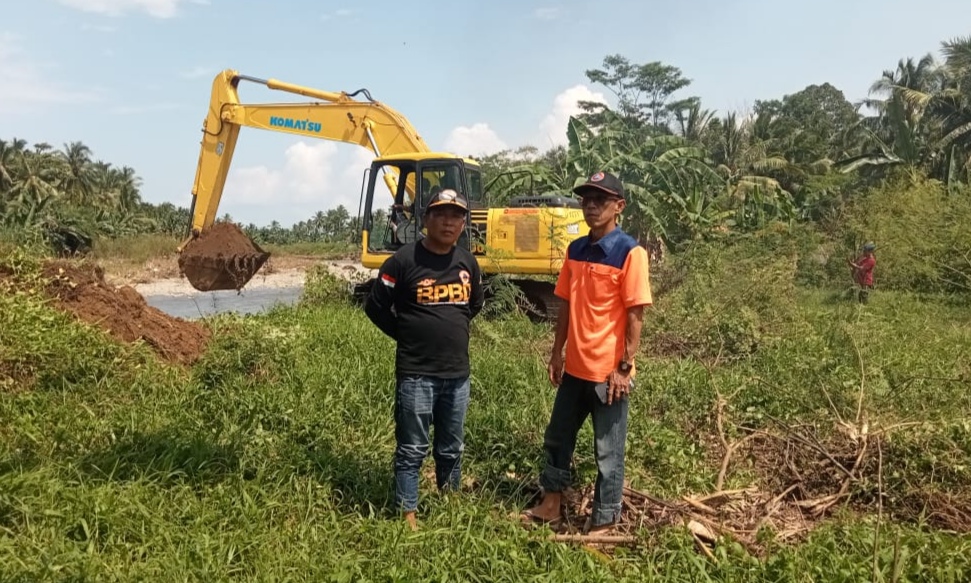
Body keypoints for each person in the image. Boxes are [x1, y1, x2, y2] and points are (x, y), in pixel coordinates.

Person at [522, 171, 653, 533]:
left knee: (608, 455)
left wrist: (624, 367)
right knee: (557, 439)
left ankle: (604, 521)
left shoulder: (630, 252)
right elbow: (565, 304)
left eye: (601, 200)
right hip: (574, 370)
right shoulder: (576, 249)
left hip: (607, 375)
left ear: (619, 206)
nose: (591, 206)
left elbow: (635, 313)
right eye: (586, 199)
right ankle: (551, 503)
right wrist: (556, 352)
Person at [364, 188, 485, 531]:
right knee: (412, 448)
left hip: (457, 376)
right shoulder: (402, 261)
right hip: (416, 374)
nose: (449, 221)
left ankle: (450, 504)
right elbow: (374, 307)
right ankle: (408, 516)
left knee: (451, 447)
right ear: (426, 219)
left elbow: (473, 305)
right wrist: (407, 333)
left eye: (457, 215)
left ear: (463, 223)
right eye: (441, 214)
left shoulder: (467, 262)